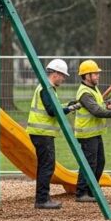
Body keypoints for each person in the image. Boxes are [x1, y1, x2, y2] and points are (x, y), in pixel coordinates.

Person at [26, 58, 80, 209]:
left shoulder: (46, 88)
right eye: (62, 75)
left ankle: (42, 198)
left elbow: (53, 106)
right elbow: (51, 111)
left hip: (41, 132)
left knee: (46, 165)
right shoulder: (46, 88)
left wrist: (67, 105)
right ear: (55, 74)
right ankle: (42, 200)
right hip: (42, 132)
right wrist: (69, 109)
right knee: (47, 166)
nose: (63, 79)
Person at [73, 59, 111, 203]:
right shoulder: (84, 93)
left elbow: (99, 106)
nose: (97, 76)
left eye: (97, 73)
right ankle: (81, 193)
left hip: (94, 132)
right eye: (94, 74)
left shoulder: (93, 89)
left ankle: (91, 190)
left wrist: (109, 105)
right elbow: (96, 111)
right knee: (89, 163)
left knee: (100, 162)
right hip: (86, 133)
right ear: (86, 76)